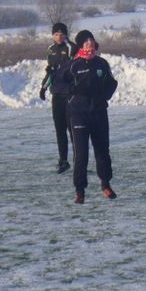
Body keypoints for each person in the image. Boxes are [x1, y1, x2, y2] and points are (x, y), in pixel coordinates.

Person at [59, 30, 119, 204]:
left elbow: (112, 83)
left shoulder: (101, 64)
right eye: (85, 42)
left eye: (91, 40)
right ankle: (80, 191)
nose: (90, 44)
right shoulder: (73, 65)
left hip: (99, 113)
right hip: (78, 114)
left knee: (102, 152)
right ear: (80, 45)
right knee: (81, 155)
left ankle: (106, 184)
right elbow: (57, 84)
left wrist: (104, 96)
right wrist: (72, 91)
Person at [39, 22, 77, 173]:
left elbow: (74, 69)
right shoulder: (50, 49)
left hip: (69, 94)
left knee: (72, 129)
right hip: (57, 94)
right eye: (56, 34)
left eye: (61, 34)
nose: (59, 37)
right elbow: (50, 71)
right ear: (52, 35)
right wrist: (43, 87)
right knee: (59, 129)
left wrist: (59, 69)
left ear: (66, 35)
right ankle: (63, 160)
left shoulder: (71, 48)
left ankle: (78, 161)